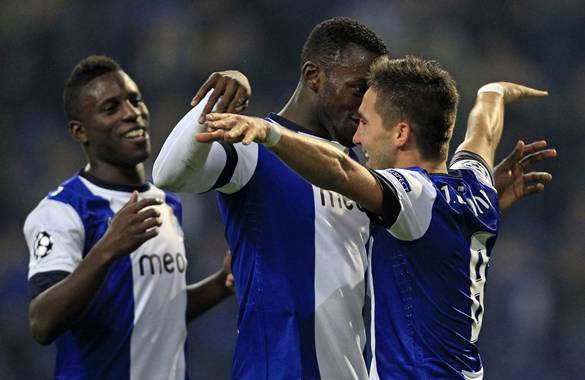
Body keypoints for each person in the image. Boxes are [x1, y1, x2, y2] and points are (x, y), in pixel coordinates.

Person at [154, 17, 555, 380]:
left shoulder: (372, 176)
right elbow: (166, 173)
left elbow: (364, 186)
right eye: (357, 89)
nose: (363, 107)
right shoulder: (253, 146)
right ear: (313, 76)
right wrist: (216, 101)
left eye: (371, 101)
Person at [22, 55, 247, 379]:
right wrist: (107, 248)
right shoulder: (62, 211)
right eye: (110, 108)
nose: (131, 113)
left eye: (134, 100)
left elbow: (156, 310)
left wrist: (220, 285)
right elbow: (42, 323)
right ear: (79, 131)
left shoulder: (168, 203)